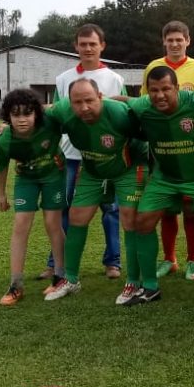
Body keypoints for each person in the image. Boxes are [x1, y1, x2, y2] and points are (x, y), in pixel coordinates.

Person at [126, 67, 194, 307]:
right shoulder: (143, 106)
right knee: (143, 221)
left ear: (177, 88)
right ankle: (150, 286)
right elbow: (123, 101)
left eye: (166, 89)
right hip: (164, 178)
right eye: (154, 90)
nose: (160, 95)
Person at [43, 78, 149, 305]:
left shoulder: (119, 113)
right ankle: (70, 279)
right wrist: (6, 125)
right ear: (69, 102)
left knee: (130, 220)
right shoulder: (63, 111)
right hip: (92, 170)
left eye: (89, 100)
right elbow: (37, 113)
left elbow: (146, 134)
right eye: (77, 102)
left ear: (100, 96)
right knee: (76, 217)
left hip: (128, 168)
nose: (84, 107)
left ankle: (133, 281)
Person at [38, 23, 125, 283]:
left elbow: (123, 115)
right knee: (63, 208)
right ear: (76, 46)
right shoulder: (63, 78)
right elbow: (55, 117)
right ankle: (56, 263)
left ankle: (113, 262)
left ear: (102, 46)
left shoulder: (114, 79)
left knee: (111, 209)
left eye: (92, 44)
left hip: (106, 157)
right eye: (83, 44)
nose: (88, 49)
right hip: (70, 155)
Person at [141, 20, 194, 281]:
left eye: (179, 39)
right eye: (170, 39)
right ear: (164, 41)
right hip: (163, 149)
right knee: (168, 209)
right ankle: (170, 259)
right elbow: (145, 104)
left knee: (191, 209)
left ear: (188, 41)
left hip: (191, 150)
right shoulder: (153, 67)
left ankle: (193, 260)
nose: (174, 44)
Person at [0, 89, 67, 306]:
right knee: (20, 225)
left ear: (36, 113)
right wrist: (1, 194)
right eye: (16, 114)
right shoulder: (5, 140)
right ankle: (16, 285)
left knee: (53, 223)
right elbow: (1, 166)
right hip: (26, 178)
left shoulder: (50, 123)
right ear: (8, 116)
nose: (22, 119)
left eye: (27, 113)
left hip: (54, 175)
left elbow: (64, 109)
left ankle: (60, 277)